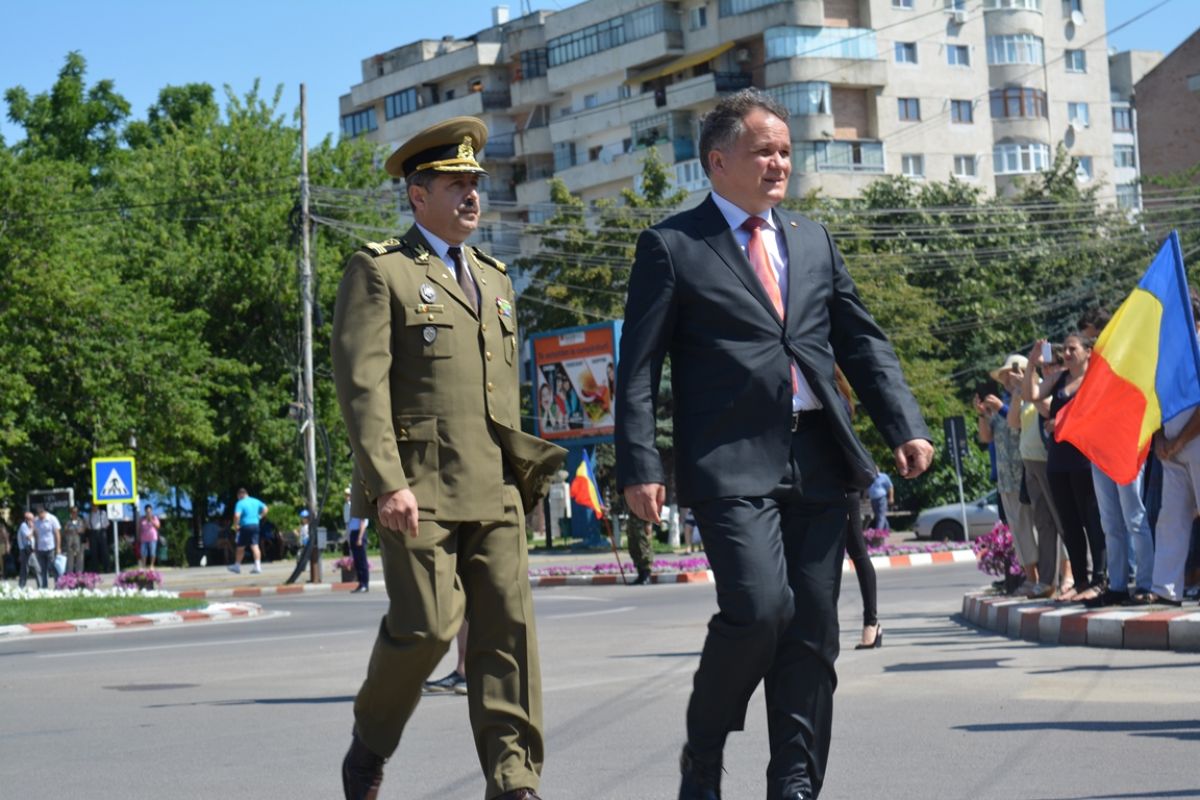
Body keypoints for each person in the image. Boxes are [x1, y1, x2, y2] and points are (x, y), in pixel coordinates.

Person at [615, 89, 932, 800]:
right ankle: (703, 753)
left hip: (818, 455)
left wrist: (904, 424)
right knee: (760, 611)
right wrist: (639, 464)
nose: (780, 163)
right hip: (728, 462)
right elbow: (637, 368)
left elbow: (861, 341)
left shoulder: (813, 239)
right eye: (764, 151)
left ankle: (794, 783)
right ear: (718, 161)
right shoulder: (672, 245)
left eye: (786, 151)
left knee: (812, 633)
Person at [331, 115, 565, 800]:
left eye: (475, 183)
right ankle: (370, 742)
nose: (471, 195)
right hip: (419, 491)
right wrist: (386, 483)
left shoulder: (494, 278)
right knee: (428, 627)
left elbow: (499, 394)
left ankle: (514, 781)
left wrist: (523, 479)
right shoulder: (382, 271)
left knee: (507, 635)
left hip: (495, 486)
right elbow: (362, 387)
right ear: (417, 194)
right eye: (456, 183)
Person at [1027, 334, 1106, 602]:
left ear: (1088, 351)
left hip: (1085, 460)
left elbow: (1097, 413)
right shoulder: (1059, 378)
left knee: (1092, 520)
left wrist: (1062, 423)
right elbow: (1030, 395)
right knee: (1069, 524)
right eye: (1066, 349)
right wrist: (1032, 363)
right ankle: (1080, 581)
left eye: (1073, 349)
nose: (1068, 353)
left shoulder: (1095, 378)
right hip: (1058, 461)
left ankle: (1100, 579)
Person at [1143, 288, 1200, 606]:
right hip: (1172, 447)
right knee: (1170, 519)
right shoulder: (1166, 357)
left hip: (1194, 441)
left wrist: (1178, 440)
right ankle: (1166, 588)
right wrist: (1160, 439)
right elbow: (1153, 403)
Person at [979, 355, 1039, 590]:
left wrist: (1001, 407)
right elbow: (985, 437)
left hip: (1026, 471)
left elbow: (1020, 422)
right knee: (1019, 530)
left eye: (1010, 373)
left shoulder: (1030, 396)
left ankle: (1047, 576)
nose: (1006, 379)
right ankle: (1031, 577)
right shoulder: (1001, 402)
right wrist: (982, 413)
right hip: (1005, 477)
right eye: (1003, 375)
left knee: (1037, 526)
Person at [1006, 358, 1061, 598]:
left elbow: (1047, 409)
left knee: (1062, 520)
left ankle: (1075, 576)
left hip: (1047, 460)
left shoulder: (1047, 389)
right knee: (1043, 523)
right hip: (1029, 462)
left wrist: (1029, 389)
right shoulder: (1027, 393)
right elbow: (1013, 422)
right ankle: (1047, 581)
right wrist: (1018, 395)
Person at [229, 488, 268, 575]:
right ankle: (257, 566)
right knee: (255, 545)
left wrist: (235, 525)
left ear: (239, 495)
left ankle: (237, 566)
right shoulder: (255, 501)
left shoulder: (240, 503)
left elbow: (237, 515)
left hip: (245, 526)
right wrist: (260, 516)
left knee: (240, 547)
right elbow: (265, 508)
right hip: (255, 525)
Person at [32, 506, 62, 588]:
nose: (39, 516)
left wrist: (58, 548)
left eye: (40, 514)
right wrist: (35, 547)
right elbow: (35, 534)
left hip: (51, 547)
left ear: (44, 512)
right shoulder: (36, 520)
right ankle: (44, 587)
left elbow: (57, 534)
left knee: (53, 568)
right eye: (38, 514)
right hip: (40, 548)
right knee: (43, 569)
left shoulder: (52, 519)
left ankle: (58, 586)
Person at [347, 512, 370, 593]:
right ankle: (360, 583)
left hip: (359, 533)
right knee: (357, 562)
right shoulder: (354, 509)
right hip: (354, 533)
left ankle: (365, 585)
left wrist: (360, 538)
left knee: (362, 562)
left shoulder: (360, 508)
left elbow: (362, 523)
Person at [627, 519, 654, 585]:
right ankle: (641, 576)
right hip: (632, 526)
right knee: (634, 551)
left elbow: (650, 513)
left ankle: (646, 576)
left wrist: (649, 524)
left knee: (644, 552)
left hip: (642, 526)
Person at [63, 506, 87, 575]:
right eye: (73, 512)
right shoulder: (68, 521)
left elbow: (84, 529)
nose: (75, 513)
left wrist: (79, 530)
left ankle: (79, 573)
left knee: (80, 558)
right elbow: (65, 530)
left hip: (79, 541)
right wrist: (71, 530)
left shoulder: (81, 520)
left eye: (76, 512)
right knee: (70, 558)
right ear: (71, 513)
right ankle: (69, 574)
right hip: (70, 542)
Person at [16, 511, 36, 588]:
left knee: (29, 569)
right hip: (25, 550)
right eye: (31, 519)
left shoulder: (29, 526)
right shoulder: (24, 526)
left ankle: (42, 586)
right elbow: (29, 537)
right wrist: (33, 528)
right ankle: (21, 586)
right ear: (27, 519)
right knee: (26, 569)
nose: (33, 520)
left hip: (31, 550)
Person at [87, 503, 110, 572]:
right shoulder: (89, 515)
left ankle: (106, 568)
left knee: (104, 551)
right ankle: (95, 569)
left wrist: (103, 530)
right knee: (94, 551)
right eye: (93, 506)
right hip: (93, 532)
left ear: (98, 506)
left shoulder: (102, 513)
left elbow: (107, 523)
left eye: (95, 506)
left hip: (101, 531)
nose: (94, 507)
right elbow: (88, 525)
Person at [137, 504, 160, 568]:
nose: (148, 513)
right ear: (145, 511)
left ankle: (152, 565)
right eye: (147, 511)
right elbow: (139, 528)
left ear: (151, 511)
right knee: (143, 553)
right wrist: (138, 537)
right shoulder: (142, 519)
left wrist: (151, 521)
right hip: (144, 538)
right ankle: (143, 566)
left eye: (149, 511)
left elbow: (158, 526)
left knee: (152, 552)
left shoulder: (154, 518)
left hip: (152, 538)